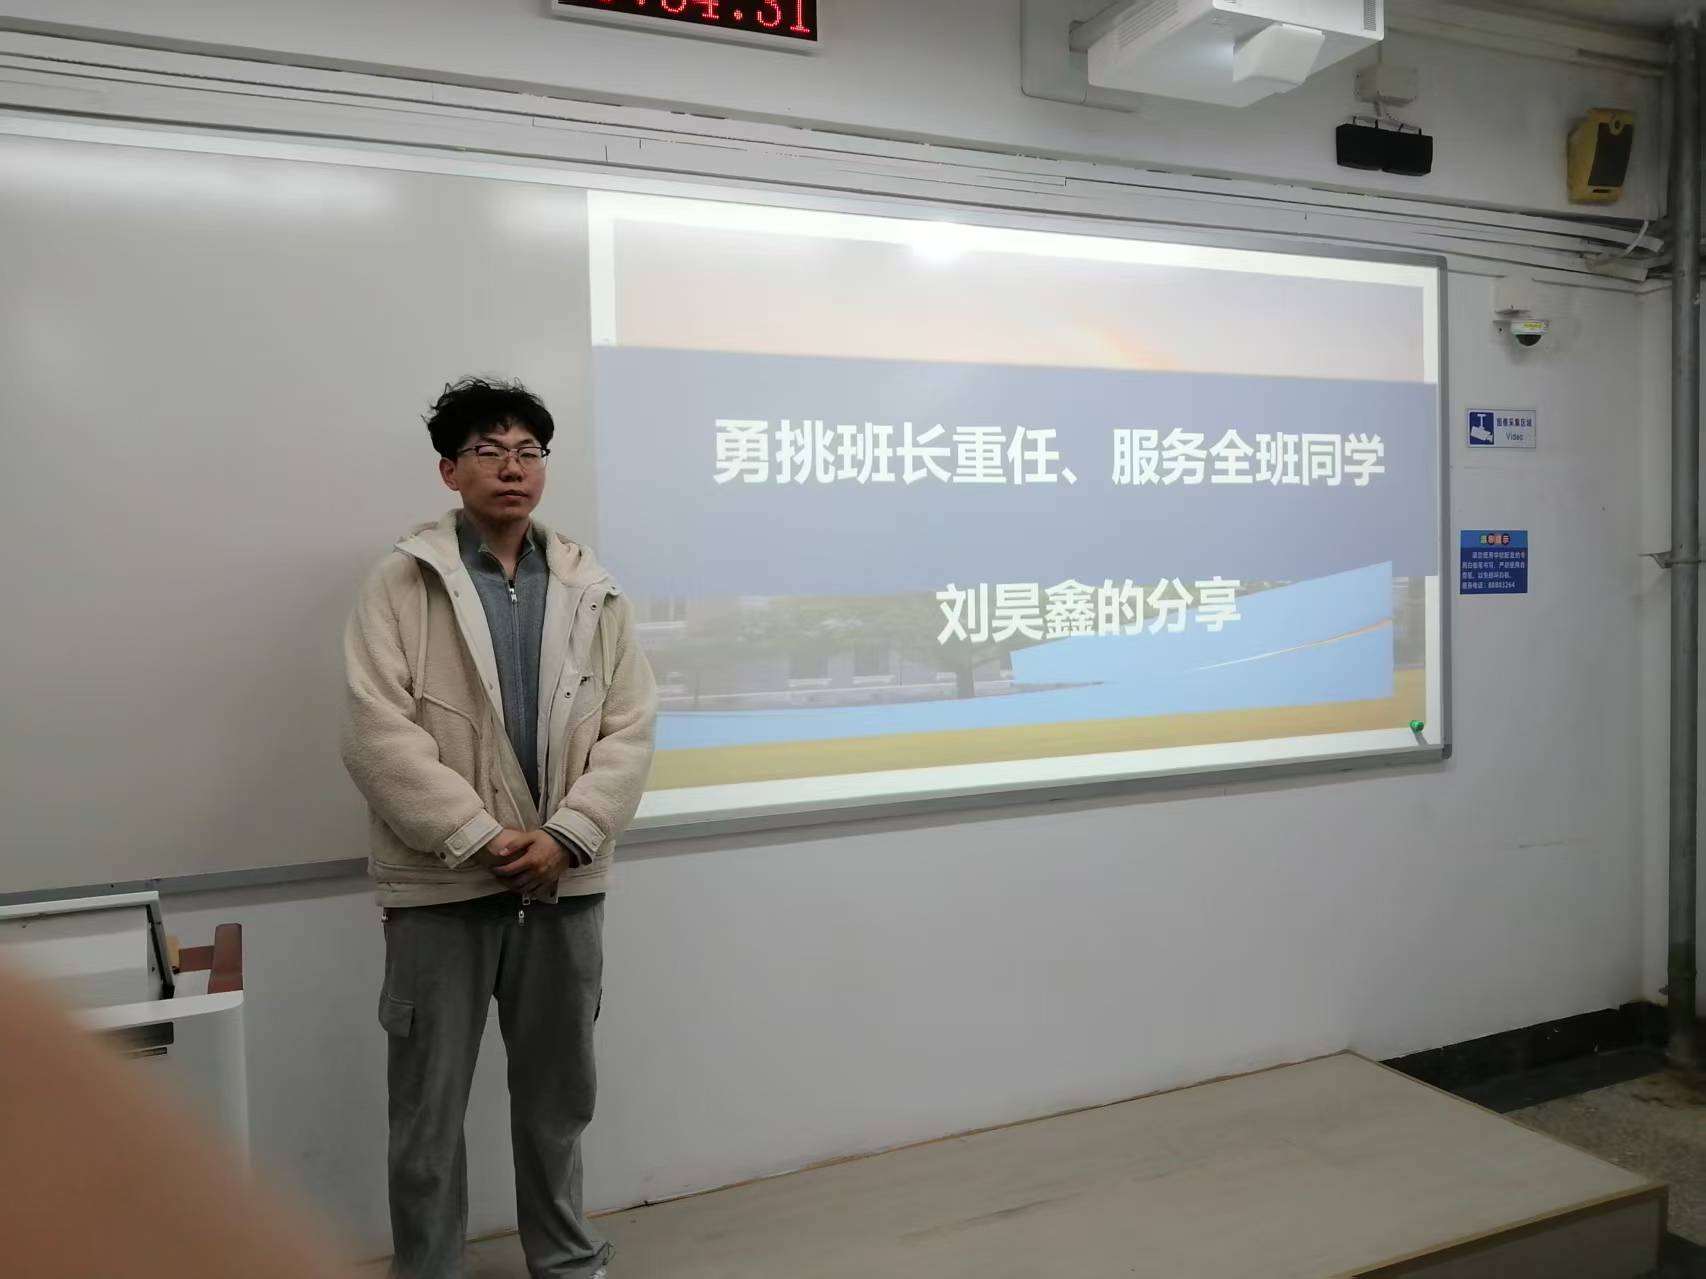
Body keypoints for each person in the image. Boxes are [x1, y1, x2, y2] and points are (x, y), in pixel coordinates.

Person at [341, 376, 658, 1279]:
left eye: (527, 451)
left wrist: (569, 834)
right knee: (427, 1108)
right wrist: (480, 835)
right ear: (451, 469)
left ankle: (565, 1259)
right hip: (441, 882)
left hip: (565, 881)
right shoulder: (402, 581)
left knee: (559, 1097)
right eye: (488, 450)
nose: (512, 468)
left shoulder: (592, 586)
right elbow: (374, 730)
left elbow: (631, 729)